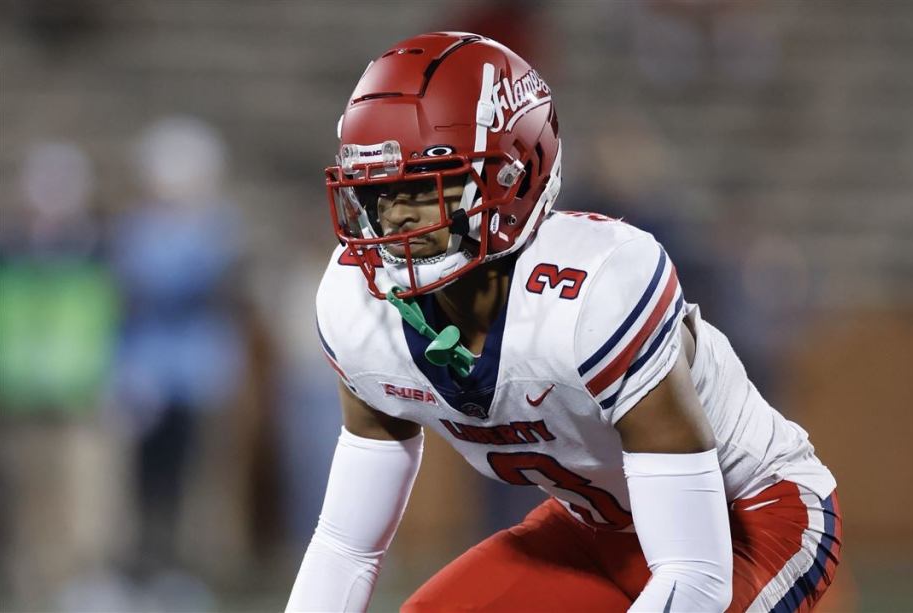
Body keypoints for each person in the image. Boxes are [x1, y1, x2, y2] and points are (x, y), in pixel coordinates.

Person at [287, 32, 840, 613]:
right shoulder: (357, 304)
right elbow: (345, 548)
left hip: (750, 519)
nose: (396, 217)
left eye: (423, 187)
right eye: (379, 193)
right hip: (592, 529)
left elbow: (695, 576)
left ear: (514, 177)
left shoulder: (597, 289)